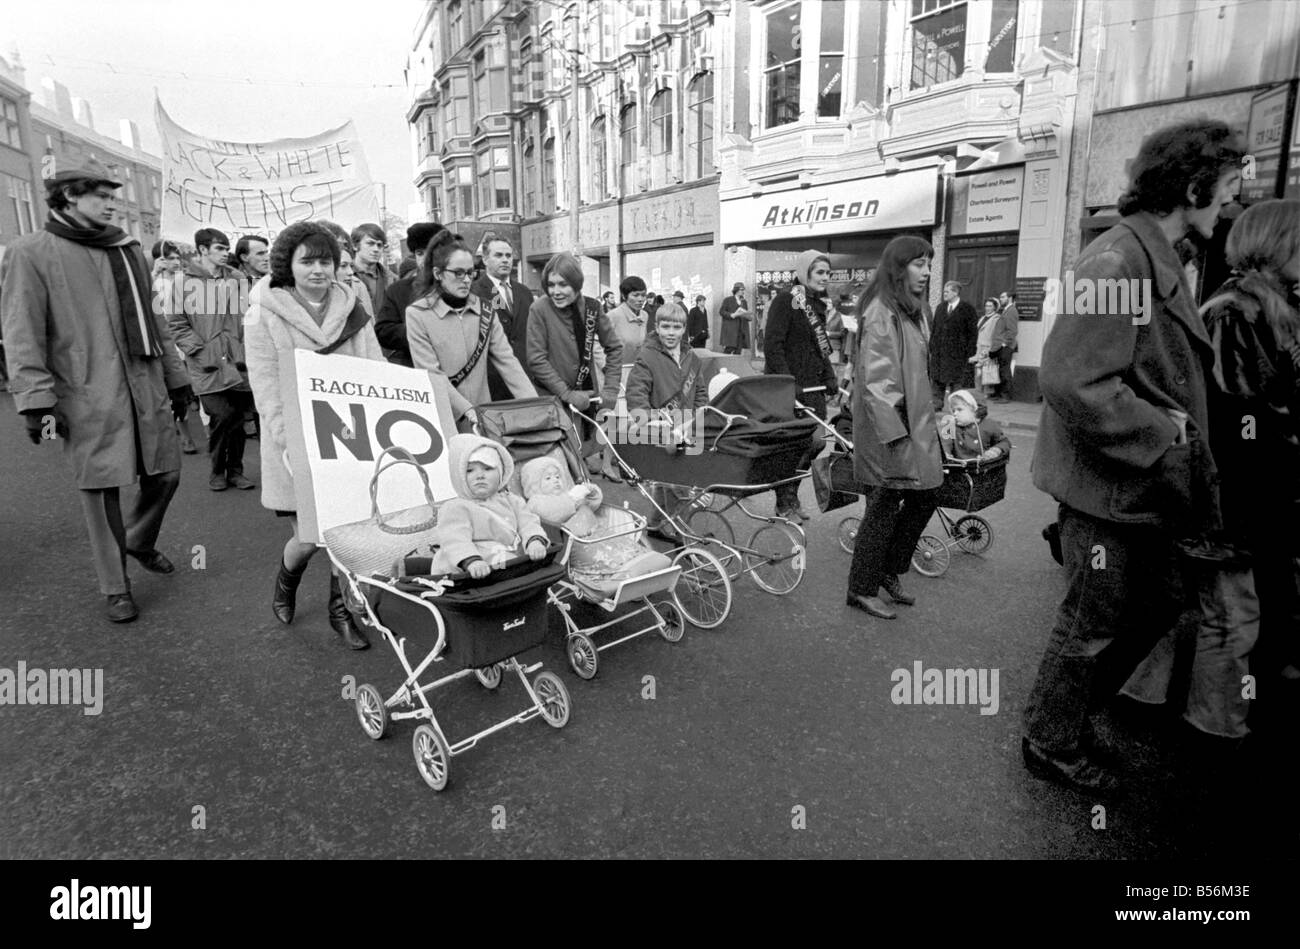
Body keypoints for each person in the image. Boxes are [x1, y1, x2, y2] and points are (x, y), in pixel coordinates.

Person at [1022, 119, 1243, 793]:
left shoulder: (1158, 255)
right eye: (1229, 187)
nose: (1234, 203)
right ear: (1194, 185)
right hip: (1106, 490)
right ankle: (1049, 738)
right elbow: (1070, 378)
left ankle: (1070, 715)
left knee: (1153, 605)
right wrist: (1161, 432)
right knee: (1092, 623)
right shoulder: (1119, 259)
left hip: (1138, 490)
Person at [1, 158, 192, 623]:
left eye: (111, 196)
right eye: (101, 197)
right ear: (69, 196)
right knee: (101, 488)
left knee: (166, 473)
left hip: (143, 382)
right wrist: (36, 401)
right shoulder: (30, 251)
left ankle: (138, 541)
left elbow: (155, 320)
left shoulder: (128, 250)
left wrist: (178, 377)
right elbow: (21, 330)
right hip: (83, 390)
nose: (111, 205)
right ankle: (116, 587)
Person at [244, 220, 387, 650]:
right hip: (296, 441)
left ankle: (340, 610)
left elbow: (375, 369)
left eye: (326, 260)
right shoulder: (263, 313)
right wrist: (290, 444)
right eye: (308, 261)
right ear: (288, 263)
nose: (319, 270)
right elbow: (266, 387)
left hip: (350, 438)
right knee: (309, 538)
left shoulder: (354, 308)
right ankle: (286, 581)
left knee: (349, 531)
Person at [1189, 198, 1300, 737]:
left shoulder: (1269, 305)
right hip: (1238, 491)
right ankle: (1217, 724)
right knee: (1231, 618)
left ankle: (1143, 693)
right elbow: (1239, 419)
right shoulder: (1238, 310)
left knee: (1213, 608)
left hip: (1251, 487)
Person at [844, 236, 940, 621]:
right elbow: (878, 383)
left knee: (926, 495)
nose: (928, 271)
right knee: (884, 505)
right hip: (890, 431)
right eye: (920, 264)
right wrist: (897, 436)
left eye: (929, 264)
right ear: (899, 269)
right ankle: (861, 588)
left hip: (913, 425)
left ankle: (886, 569)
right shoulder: (883, 311)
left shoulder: (914, 309)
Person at [406, 230, 535, 428]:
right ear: (438, 274)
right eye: (458, 273)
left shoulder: (485, 309)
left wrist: (533, 404)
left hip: (484, 415)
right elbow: (432, 374)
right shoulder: (418, 314)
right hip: (444, 418)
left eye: (470, 272)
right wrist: (467, 410)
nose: (466, 279)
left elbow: (508, 362)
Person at [167, 227, 255, 492]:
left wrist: (245, 347)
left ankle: (236, 471)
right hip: (206, 363)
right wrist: (199, 350)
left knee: (238, 419)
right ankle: (217, 469)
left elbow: (247, 316)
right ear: (203, 250)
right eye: (219, 248)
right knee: (221, 415)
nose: (225, 253)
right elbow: (175, 323)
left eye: (227, 248)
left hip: (237, 360)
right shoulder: (182, 283)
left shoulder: (237, 277)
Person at [526, 253, 622, 472]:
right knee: (558, 467)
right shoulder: (539, 309)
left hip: (588, 400)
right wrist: (567, 394)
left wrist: (611, 389)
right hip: (551, 402)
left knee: (582, 463)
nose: (555, 291)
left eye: (563, 284)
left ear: (576, 284)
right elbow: (536, 360)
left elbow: (614, 348)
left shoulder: (592, 308)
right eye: (550, 285)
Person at [762, 251, 839, 522]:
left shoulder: (817, 304)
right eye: (819, 272)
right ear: (804, 272)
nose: (825, 278)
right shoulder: (786, 300)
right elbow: (772, 344)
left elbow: (821, 348)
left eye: (828, 273)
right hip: (790, 389)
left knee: (816, 443)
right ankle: (784, 501)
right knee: (798, 444)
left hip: (813, 388)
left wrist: (830, 375)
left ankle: (789, 494)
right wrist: (786, 381)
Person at [625, 302, 707, 541]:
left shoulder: (692, 357)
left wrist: (701, 413)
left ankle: (655, 523)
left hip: (689, 425)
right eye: (666, 326)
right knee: (677, 480)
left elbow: (700, 391)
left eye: (677, 327)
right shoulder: (647, 357)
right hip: (662, 428)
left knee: (668, 481)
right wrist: (649, 418)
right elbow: (636, 394)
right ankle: (681, 529)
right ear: (657, 328)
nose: (671, 332)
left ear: (684, 330)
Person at [430, 434, 549, 579]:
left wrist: (534, 540)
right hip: (471, 568)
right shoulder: (456, 508)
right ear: (458, 475)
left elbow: (528, 523)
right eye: (469, 470)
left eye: (487, 468)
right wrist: (471, 560)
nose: (479, 475)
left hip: (506, 561)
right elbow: (455, 539)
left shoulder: (512, 500)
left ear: (501, 473)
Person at [599, 275, 652, 482]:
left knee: (635, 417)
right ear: (624, 295)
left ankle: (623, 458)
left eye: (643, 295)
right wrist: (605, 366)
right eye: (635, 295)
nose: (640, 299)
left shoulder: (645, 315)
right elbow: (596, 342)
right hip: (614, 371)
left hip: (636, 371)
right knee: (618, 418)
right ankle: (607, 465)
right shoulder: (613, 315)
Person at [470, 233, 535, 400]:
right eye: (498, 255)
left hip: (524, 377)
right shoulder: (475, 292)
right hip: (491, 380)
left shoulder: (524, 292)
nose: (505, 260)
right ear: (485, 259)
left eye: (508, 255)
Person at [150, 240, 198, 455]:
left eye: (178, 257)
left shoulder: (184, 280)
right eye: (170, 258)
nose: (176, 262)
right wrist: (152, 274)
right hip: (165, 343)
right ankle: (185, 435)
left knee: (195, 386)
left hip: (186, 338)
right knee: (177, 391)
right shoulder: (154, 282)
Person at [375, 222, 443, 367]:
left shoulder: (456, 286)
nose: (425, 259)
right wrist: (419, 331)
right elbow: (384, 331)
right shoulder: (398, 290)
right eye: (420, 253)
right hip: (412, 367)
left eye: (431, 252)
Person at [930, 281, 978, 410]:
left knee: (956, 382)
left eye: (947, 292)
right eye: (944, 291)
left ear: (955, 292)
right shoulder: (940, 307)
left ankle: (956, 406)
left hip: (958, 354)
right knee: (937, 381)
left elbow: (972, 332)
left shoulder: (967, 309)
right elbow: (934, 329)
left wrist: (970, 352)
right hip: (940, 353)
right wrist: (932, 347)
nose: (944, 294)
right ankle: (937, 404)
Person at [937, 389, 1010, 463]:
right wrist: (945, 453)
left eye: (959, 409)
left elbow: (1004, 442)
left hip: (983, 467)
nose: (955, 413)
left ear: (975, 410)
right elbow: (945, 442)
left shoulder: (988, 425)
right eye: (953, 410)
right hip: (959, 466)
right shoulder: (951, 425)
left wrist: (996, 450)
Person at [348, 222, 394, 307]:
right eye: (370, 243)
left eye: (379, 245)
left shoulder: (391, 278)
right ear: (355, 246)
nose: (376, 249)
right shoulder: (343, 275)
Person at [970, 298, 1003, 398]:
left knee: (987, 370)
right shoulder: (983, 318)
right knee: (978, 370)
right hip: (979, 346)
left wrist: (992, 348)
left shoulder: (996, 318)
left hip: (987, 347)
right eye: (986, 306)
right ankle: (978, 390)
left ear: (995, 307)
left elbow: (996, 334)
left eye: (990, 306)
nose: (987, 308)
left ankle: (987, 392)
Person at [991, 290, 1019, 401]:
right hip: (1001, 346)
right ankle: (999, 394)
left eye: (1003, 297)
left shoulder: (1011, 311)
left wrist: (1004, 344)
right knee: (1001, 370)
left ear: (1010, 298)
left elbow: (1012, 331)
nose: (1001, 299)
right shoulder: (1006, 310)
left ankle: (1005, 395)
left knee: (1005, 371)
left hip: (1006, 347)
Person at [719, 282, 751, 354]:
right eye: (742, 289)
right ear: (736, 290)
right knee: (729, 349)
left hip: (741, 330)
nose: (743, 291)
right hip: (731, 330)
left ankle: (735, 365)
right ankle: (724, 365)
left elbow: (745, 313)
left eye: (744, 290)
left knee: (738, 351)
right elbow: (721, 312)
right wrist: (732, 315)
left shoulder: (744, 302)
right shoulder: (727, 300)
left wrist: (748, 316)